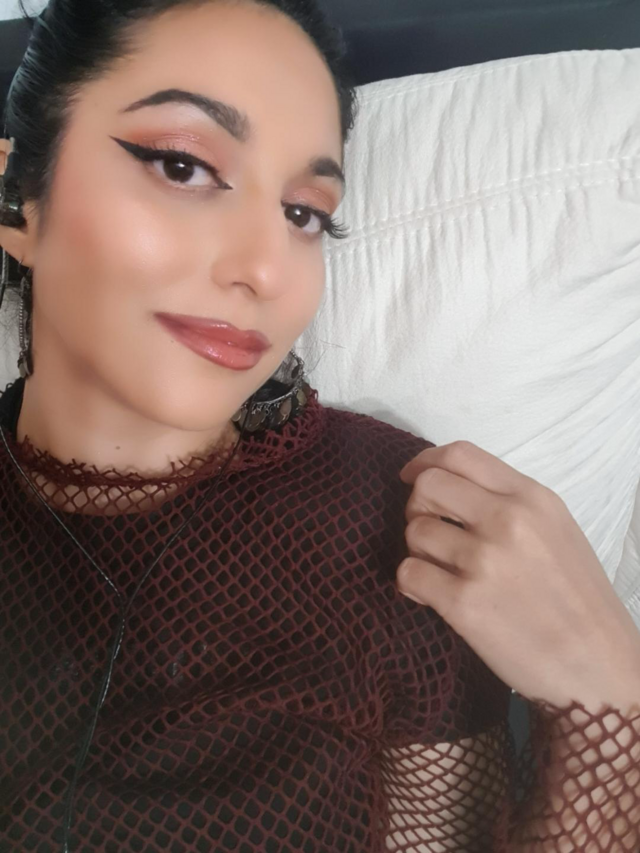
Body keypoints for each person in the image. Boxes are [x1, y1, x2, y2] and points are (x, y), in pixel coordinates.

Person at [0, 1, 638, 851]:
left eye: (305, 214)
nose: (266, 269)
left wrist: (612, 711)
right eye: (184, 166)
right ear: (19, 203)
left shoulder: (399, 528)